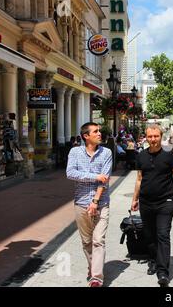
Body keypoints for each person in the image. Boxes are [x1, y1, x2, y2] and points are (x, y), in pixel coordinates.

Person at [131, 124, 173, 287]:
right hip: (145, 202)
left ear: (161, 136)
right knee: (149, 235)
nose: (153, 140)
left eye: (156, 136)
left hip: (166, 201)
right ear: (146, 137)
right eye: (150, 136)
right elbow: (139, 179)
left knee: (163, 234)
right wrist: (134, 199)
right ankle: (153, 260)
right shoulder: (141, 156)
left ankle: (163, 271)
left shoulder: (169, 154)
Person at [66, 122, 112, 287]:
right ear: (86, 136)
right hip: (81, 202)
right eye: (95, 131)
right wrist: (94, 176)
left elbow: (105, 179)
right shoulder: (75, 152)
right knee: (86, 241)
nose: (100, 133)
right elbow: (70, 173)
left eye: (99, 131)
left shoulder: (106, 152)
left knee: (98, 240)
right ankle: (93, 267)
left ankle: (96, 278)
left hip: (101, 202)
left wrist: (95, 201)